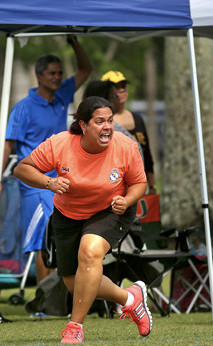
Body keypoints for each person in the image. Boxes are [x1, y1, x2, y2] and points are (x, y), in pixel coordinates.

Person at [13, 97, 151, 344]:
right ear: (83, 125)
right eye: (99, 121)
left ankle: (74, 327)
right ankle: (130, 298)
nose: (107, 126)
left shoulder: (125, 146)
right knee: (75, 284)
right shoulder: (60, 144)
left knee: (89, 251)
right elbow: (22, 168)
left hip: (111, 210)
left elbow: (140, 183)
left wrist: (127, 200)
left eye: (110, 120)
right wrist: (50, 182)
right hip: (68, 214)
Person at [1, 35, 92, 284]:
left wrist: (73, 42)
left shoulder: (63, 96)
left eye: (59, 73)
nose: (57, 77)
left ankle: (59, 296)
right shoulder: (24, 107)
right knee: (44, 237)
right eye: (52, 73)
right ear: (39, 76)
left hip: (62, 179)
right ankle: (44, 298)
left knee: (61, 235)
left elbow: (86, 69)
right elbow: (8, 144)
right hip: (34, 181)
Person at [101, 71, 156, 194]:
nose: (120, 91)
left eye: (123, 87)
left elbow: (147, 154)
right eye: (116, 87)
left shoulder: (137, 118)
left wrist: (152, 186)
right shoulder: (104, 123)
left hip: (139, 185)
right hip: (115, 186)